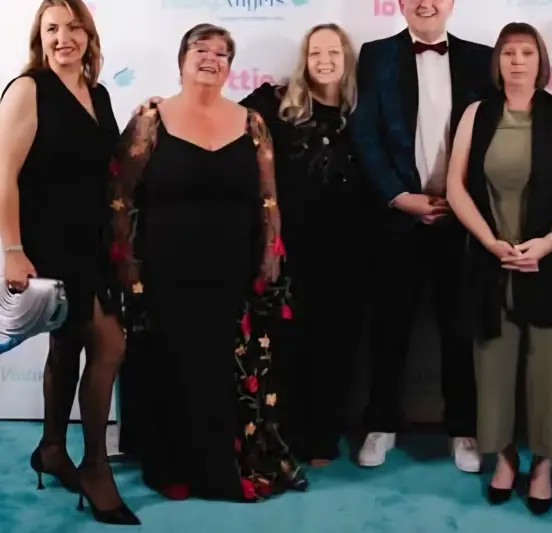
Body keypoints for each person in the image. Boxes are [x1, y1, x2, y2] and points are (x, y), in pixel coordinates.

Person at [111, 23, 306, 502]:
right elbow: (119, 197)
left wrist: (269, 257)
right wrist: (128, 268)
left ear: (230, 68)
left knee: (224, 376)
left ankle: (224, 468)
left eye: (222, 54)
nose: (210, 59)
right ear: (181, 60)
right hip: (165, 276)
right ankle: (173, 467)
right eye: (201, 49)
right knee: (173, 371)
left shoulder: (251, 123)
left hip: (232, 276)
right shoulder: (151, 120)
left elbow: (268, 199)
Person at [446, 22, 552, 513]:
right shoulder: (476, 114)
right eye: (508, 52)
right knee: (492, 366)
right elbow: (455, 187)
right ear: (497, 61)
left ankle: (545, 467)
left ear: (541, 60)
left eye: (526, 52)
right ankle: (506, 459)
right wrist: (490, 242)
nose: (517, 60)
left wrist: (550, 242)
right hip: (491, 259)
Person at [0, 0, 138, 525]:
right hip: (49, 243)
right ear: (40, 38)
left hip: (93, 242)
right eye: (52, 28)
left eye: (74, 27)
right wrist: (12, 250)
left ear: (88, 35)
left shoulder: (99, 94)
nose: (64, 38)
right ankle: (95, 466)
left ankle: (52, 448)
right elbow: (3, 174)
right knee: (110, 344)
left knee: (69, 346)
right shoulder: (28, 89)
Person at [350, 0, 493, 472]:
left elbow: (493, 137)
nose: (425, 3)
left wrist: (463, 199)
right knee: (389, 327)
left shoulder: (482, 58)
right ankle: (380, 424)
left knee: (459, 329)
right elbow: (365, 134)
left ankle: (463, 429)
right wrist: (398, 196)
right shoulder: (376, 55)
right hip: (399, 216)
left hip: (462, 217)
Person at [237, 23, 368, 466]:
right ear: (304, 61)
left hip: (348, 253)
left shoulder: (361, 114)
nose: (324, 61)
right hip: (291, 252)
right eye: (315, 53)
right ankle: (287, 436)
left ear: (347, 59)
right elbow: (222, 118)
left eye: (333, 52)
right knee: (288, 346)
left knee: (337, 346)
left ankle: (323, 438)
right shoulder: (276, 106)